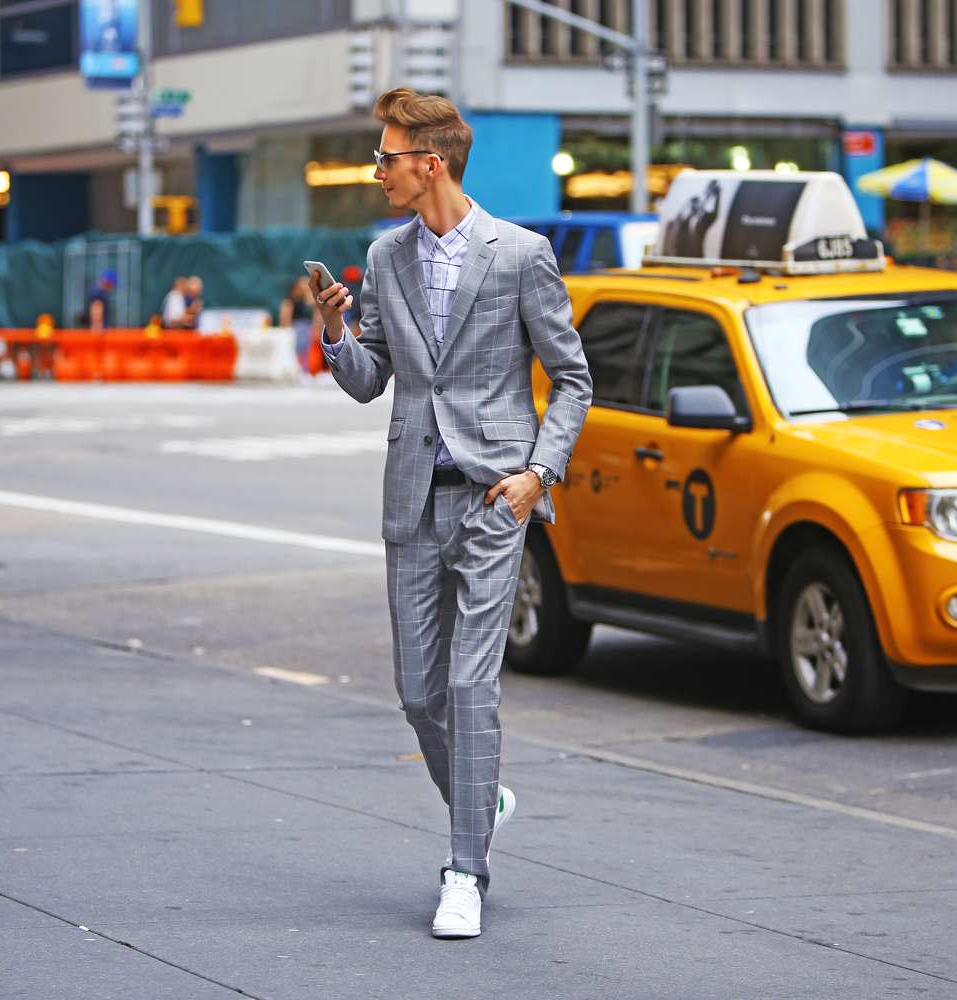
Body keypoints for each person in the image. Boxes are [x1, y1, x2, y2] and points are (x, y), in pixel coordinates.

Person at [311, 87, 592, 940]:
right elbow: (372, 380)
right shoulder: (384, 256)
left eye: (387, 158)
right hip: (410, 500)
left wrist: (538, 475)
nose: (377, 172)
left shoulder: (521, 255)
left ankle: (464, 867)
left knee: (472, 686)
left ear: (428, 165)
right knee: (417, 694)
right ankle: (484, 796)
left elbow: (572, 380)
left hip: (492, 502)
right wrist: (333, 336)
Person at [280, 276, 316, 369]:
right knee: (297, 348)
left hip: (307, 325)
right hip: (297, 325)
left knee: (306, 349)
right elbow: (286, 313)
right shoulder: (291, 298)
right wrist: (285, 327)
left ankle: (305, 369)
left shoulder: (305, 298)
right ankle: (298, 369)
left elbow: (312, 304)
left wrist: (308, 291)